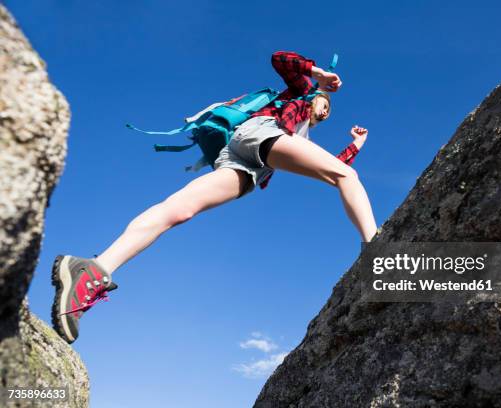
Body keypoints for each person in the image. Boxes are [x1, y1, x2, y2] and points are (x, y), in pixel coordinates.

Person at [51, 51, 378, 344]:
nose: (325, 113)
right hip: (260, 136)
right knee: (347, 177)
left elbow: (327, 167)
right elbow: (280, 59)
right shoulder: (300, 93)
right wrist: (318, 76)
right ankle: (378, 254)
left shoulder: (300, 134)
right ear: (318, 98)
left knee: (178, 210)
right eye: (325, 106)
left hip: (247, 162)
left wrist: (356, 146)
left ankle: (93, 269)